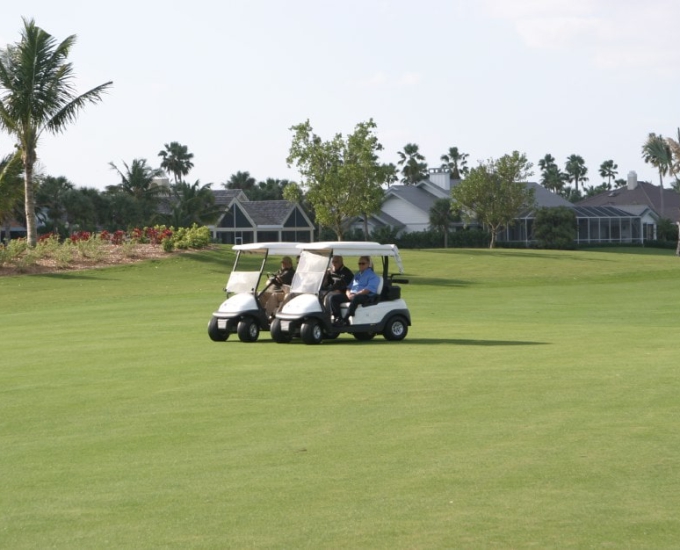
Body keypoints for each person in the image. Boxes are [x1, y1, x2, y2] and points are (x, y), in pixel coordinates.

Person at [330, 256, 381, 326]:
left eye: (363, 263)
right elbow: (349, 287)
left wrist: (355, 294)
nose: (361, 265)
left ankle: (346, 319)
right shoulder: (358, 274)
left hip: (365, 296)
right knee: (334, 298)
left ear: (368, 264)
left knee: (356, 298)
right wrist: (348, 294)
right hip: (353, 295)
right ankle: (338, 318)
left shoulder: (373, 276)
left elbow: (367, 290)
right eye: (359, 263)